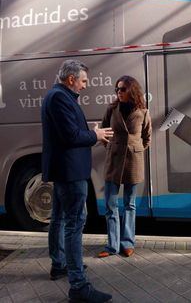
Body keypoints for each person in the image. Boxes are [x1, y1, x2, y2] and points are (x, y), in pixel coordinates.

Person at [41, 59, 113, 303]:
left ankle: (60, 265)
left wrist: (91, 132)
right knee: (74, 223)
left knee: (59, 219)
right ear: (71, 79)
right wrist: (96, 134)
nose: (85, 85)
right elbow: (70, 136)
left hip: (65, 171)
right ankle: (79, 286)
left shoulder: (59, 95)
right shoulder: (59, 97)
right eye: (83, 81)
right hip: (70, 172)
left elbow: (69, 131)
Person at [98, 75, 152, 258]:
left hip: (133, 162)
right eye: (117, 89)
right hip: (113, 160)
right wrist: (112, 148)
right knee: (110, 204)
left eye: (122, 89)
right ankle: (112, 246)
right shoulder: (112, 109)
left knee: (130, 204)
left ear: (131, 90)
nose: (118, 93)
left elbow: (147, 137)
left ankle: (127, 243)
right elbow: (104, 132)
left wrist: (135, 149)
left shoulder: (143, 112)